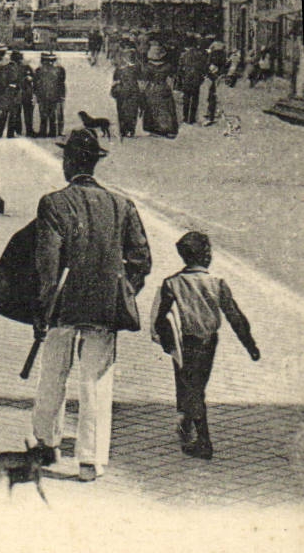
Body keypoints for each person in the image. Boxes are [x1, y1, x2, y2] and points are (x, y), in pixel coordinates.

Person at [29, 129, 152, 482]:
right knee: (96, 381)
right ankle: (90, 461)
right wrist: (124, 290)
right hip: (104, 307)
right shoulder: (121, 205)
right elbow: (141, 259)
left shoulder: (53, 203)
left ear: (69, 162)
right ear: (94, 163)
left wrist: (43, 306)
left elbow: (47, 263)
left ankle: (47, 444)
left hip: (62, 303)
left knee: (53, 374)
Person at [149, 231, 260, 460]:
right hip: (209, 342)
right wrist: (250, 345)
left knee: (190, 386)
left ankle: (202, 440)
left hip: (184, 343)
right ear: (207, 255)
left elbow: (161, 318)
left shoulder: (172, 283)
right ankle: (195, 431)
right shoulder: (216, 283)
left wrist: (167, 344)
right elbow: (235, 316)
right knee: (196, 385)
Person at [139, 41, 180, 138]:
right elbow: (172, 78)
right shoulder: (167, 66)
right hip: (163, 86)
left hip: (151, 87)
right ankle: (167, 128)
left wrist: (142, 91)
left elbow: (144, 80)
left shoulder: (147, 67)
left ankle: (153, 128)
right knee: (166, 108)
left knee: (151, 107)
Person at [111, 45, 143, 137]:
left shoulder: (120, 68)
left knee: (122, 110)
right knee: (132, 110)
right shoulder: (137, 67)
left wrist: (114, 90)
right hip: (133, 90)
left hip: (123, 90)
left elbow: (115, 81)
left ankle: (123, 129)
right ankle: (130, 129)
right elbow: (141, 80)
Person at [32, 52, 66, 138]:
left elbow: (35, 84)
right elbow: (62, 83)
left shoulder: (38, 70)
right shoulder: (59, 69)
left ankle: (43, 132)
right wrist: (62, 95)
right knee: (52, 114)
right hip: (54, 95)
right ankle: (52, 132)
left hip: (44, 95)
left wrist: (36, 94)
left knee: (44, 114)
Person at [177, 35, 208, 126]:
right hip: (196, 77)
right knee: (195, 98)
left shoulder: (184, 55)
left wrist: (181, 77)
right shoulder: (200, 54)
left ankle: (185, 117)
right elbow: (203, 66)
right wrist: (202, 76)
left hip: (187, 77)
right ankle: (192, 117)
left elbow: (180, 67)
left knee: (186, 97)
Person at [0, 50, 25, 138]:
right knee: (13, 114)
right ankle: (10, 133)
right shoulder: (19, 68)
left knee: (3, 114)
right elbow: (20, 82)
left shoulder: (3, 67)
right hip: (14, 93)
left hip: (4, 93)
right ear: (19, 59)